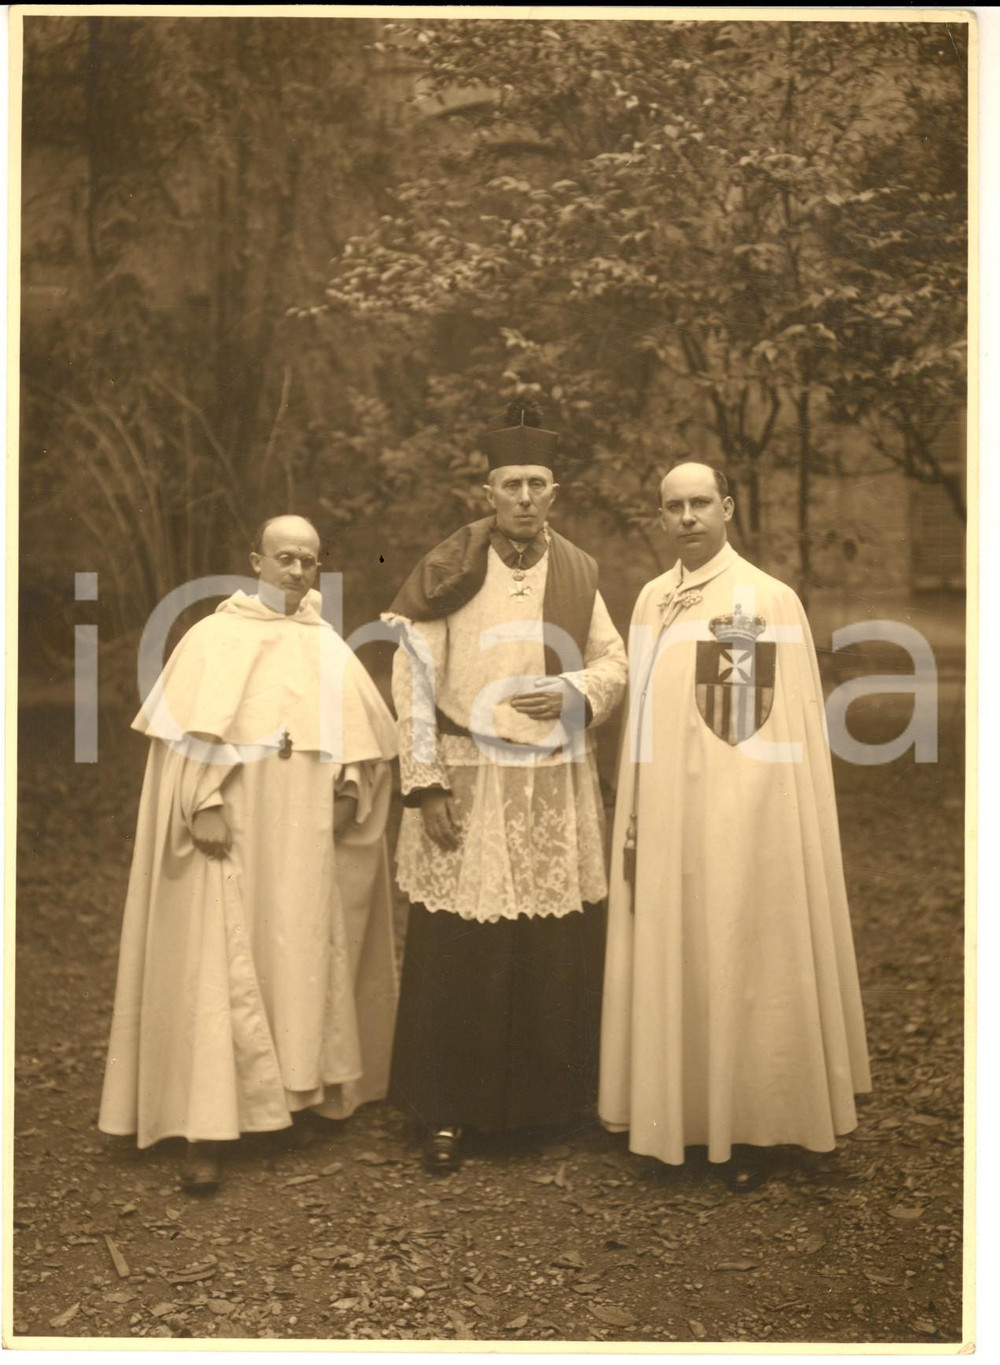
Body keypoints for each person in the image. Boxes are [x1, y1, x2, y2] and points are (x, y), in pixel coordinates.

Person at [99, 515, 399, 1192]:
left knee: (296, 947)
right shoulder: (213, 637)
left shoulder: (326, 645)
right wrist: (201, 803)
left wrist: (351, 789)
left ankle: (298, 1093)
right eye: (285, 557)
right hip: (232, 823)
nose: (297, 571)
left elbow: (359, 743)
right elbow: (183, 739)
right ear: (255, 560)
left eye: (309, 560)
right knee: (218, 956)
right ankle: (205, 1125)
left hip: (301, 831)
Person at [599, 462, 871, 1191]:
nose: (687, 517)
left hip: (741, 817)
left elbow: (764, 728)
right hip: (665, 812)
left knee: (740, 950)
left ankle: (755, 1123)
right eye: (673, 506)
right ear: (661, 516)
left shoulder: (764, 599)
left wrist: (745, 817)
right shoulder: (653, 598)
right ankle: (679, 1115)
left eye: (700, 503)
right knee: (678, 946)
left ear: (727, 508)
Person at [384, 403, 628, 1171]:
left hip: (551, 779)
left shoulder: (580, 571)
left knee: (545, 940)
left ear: (555, 491)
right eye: (510, 483)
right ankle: (445, 1112)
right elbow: (412, 676)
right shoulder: (452, 565)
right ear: (488, 490)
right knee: (459, 945)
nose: (524, 497)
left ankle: (539, 1107)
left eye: (538, 484)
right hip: (467, 773)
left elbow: (614, 662)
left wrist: (578, 691)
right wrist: (424, 784)